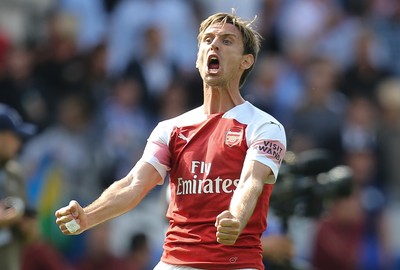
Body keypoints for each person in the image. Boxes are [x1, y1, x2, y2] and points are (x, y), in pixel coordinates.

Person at [55, 11, 287, 270]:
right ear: (198, 60)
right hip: (176, 261)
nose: (214, 45)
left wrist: (235, 217)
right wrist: (88, 217)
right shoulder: (170, 128)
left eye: (226, 41)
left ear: (246, 61)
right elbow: (134, 184)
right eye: (208, 40)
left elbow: (250, 183)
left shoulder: (264, 126)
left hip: (236, 262)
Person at [0, 103, 35, 270]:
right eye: (14, 137)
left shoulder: (15, 173)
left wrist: (26, 226)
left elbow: (31, 235)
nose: (18, 144)